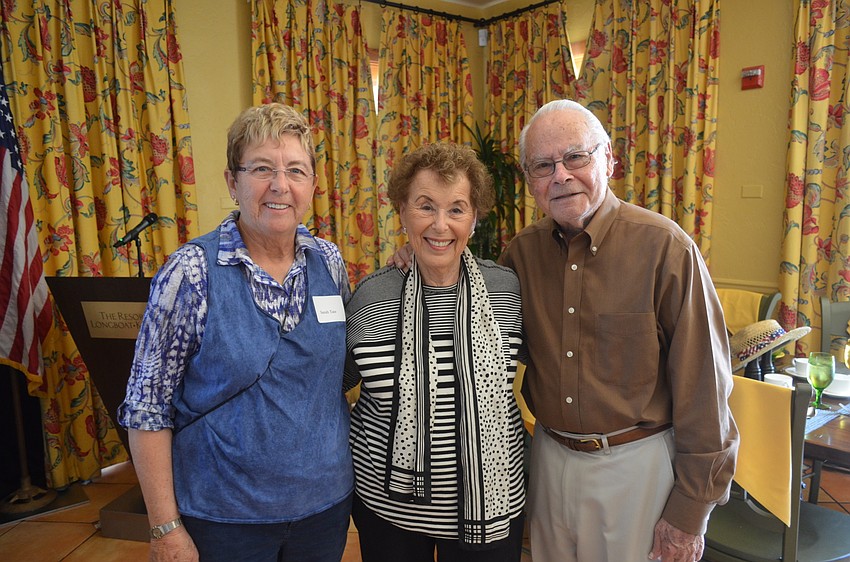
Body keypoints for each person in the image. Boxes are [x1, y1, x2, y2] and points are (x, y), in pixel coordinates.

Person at [390, 100, 739, 562]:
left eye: (576, 156)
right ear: (530, 179)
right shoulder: (522, 256)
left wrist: (691, 512)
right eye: (542, 165)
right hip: (550, 461)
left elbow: (705, 391)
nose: (560, 175)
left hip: (635, 465)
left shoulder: (665, 248)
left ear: (608, 158)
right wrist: (417, 255)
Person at [118, 103, 353, 562]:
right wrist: (165, 528)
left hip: (323, 510)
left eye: (295, 170)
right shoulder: (190, 273)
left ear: (312, 184)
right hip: (224, 519)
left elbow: (335, 374)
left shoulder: (329, 261)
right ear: (233, 181)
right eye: (262, 168)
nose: (279, 186)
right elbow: (147, 408)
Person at [343, 143, 527, 561]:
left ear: (475, 218)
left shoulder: (508, 290)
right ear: (402, 211)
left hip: (491, 511)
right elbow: (335, 384)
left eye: (457, 209)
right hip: (387, 512)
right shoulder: (371, 296)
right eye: (425, 207)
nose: (440, 225)